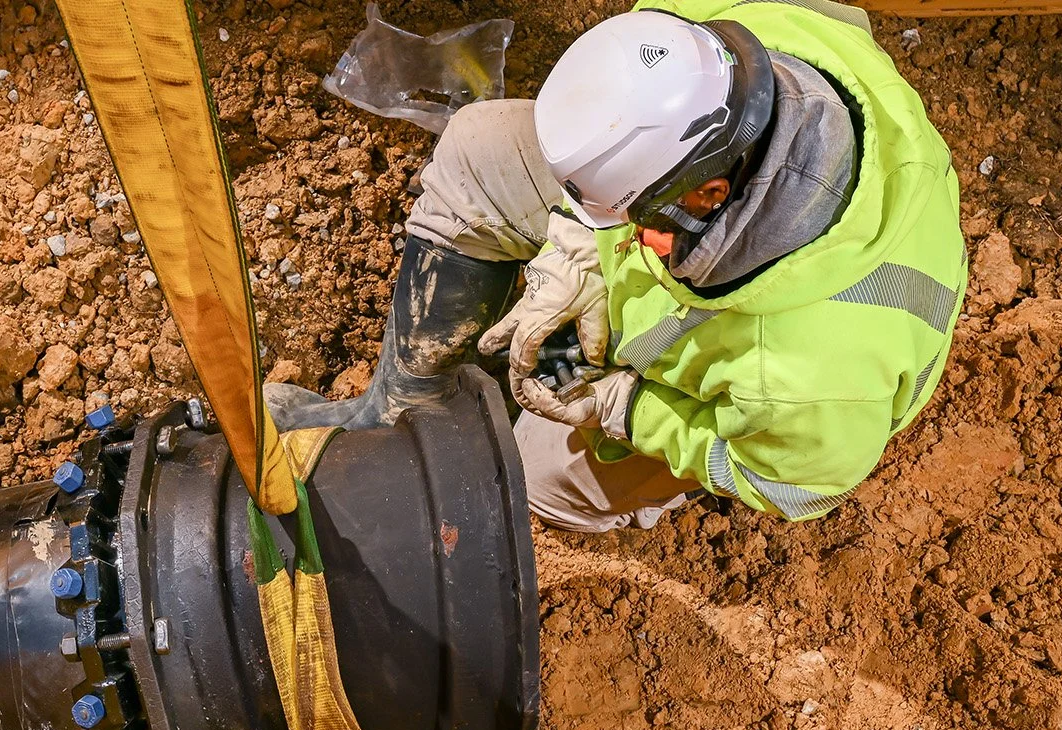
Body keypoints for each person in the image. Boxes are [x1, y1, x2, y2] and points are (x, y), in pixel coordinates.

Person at [268, 0, 966, 533]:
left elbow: (792, 485)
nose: (625, 239)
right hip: (710, 249)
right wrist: (575, 243)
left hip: (765, 383)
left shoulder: (804, 380)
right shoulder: (718, 37)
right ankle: (396, 419)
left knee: (535, 473)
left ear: (709, 193)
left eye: (638, 220)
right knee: (479, 147)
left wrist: (628, 409)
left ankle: (569, 431)